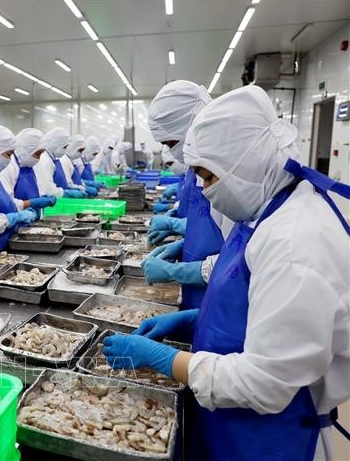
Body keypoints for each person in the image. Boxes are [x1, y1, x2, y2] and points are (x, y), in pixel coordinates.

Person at [103, 85, 350, 461]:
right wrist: (197, 321)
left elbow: (264, 384)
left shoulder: (296, 243)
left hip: (270, 440)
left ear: (241, 164)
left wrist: (164, 360)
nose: (203, 189)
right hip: (233, 425)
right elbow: (254, 295)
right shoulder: (267, 211)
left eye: (207, 176)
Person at [142, 80, 221, 310]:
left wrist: (175, 271)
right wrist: (184, 244)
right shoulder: (202, 165)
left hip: (215, 292)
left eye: (170, 142)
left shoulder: (227, 172)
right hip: (197, 286)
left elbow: (240, 261)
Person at [34, 127, 85, 198]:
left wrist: (72, 188)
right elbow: (48, 190)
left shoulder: (53, 159)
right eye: (64, 147)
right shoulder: (45, 161)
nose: (66, 150)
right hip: (53, 202)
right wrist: (66, 193)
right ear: (55, 145)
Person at [0, 128, 45, 200]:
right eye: (37, 154)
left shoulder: (29, 165)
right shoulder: (9, 166)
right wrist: (27, 204)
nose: (38, 159)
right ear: (25, 150)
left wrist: (41, 196)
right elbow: (7, 201)